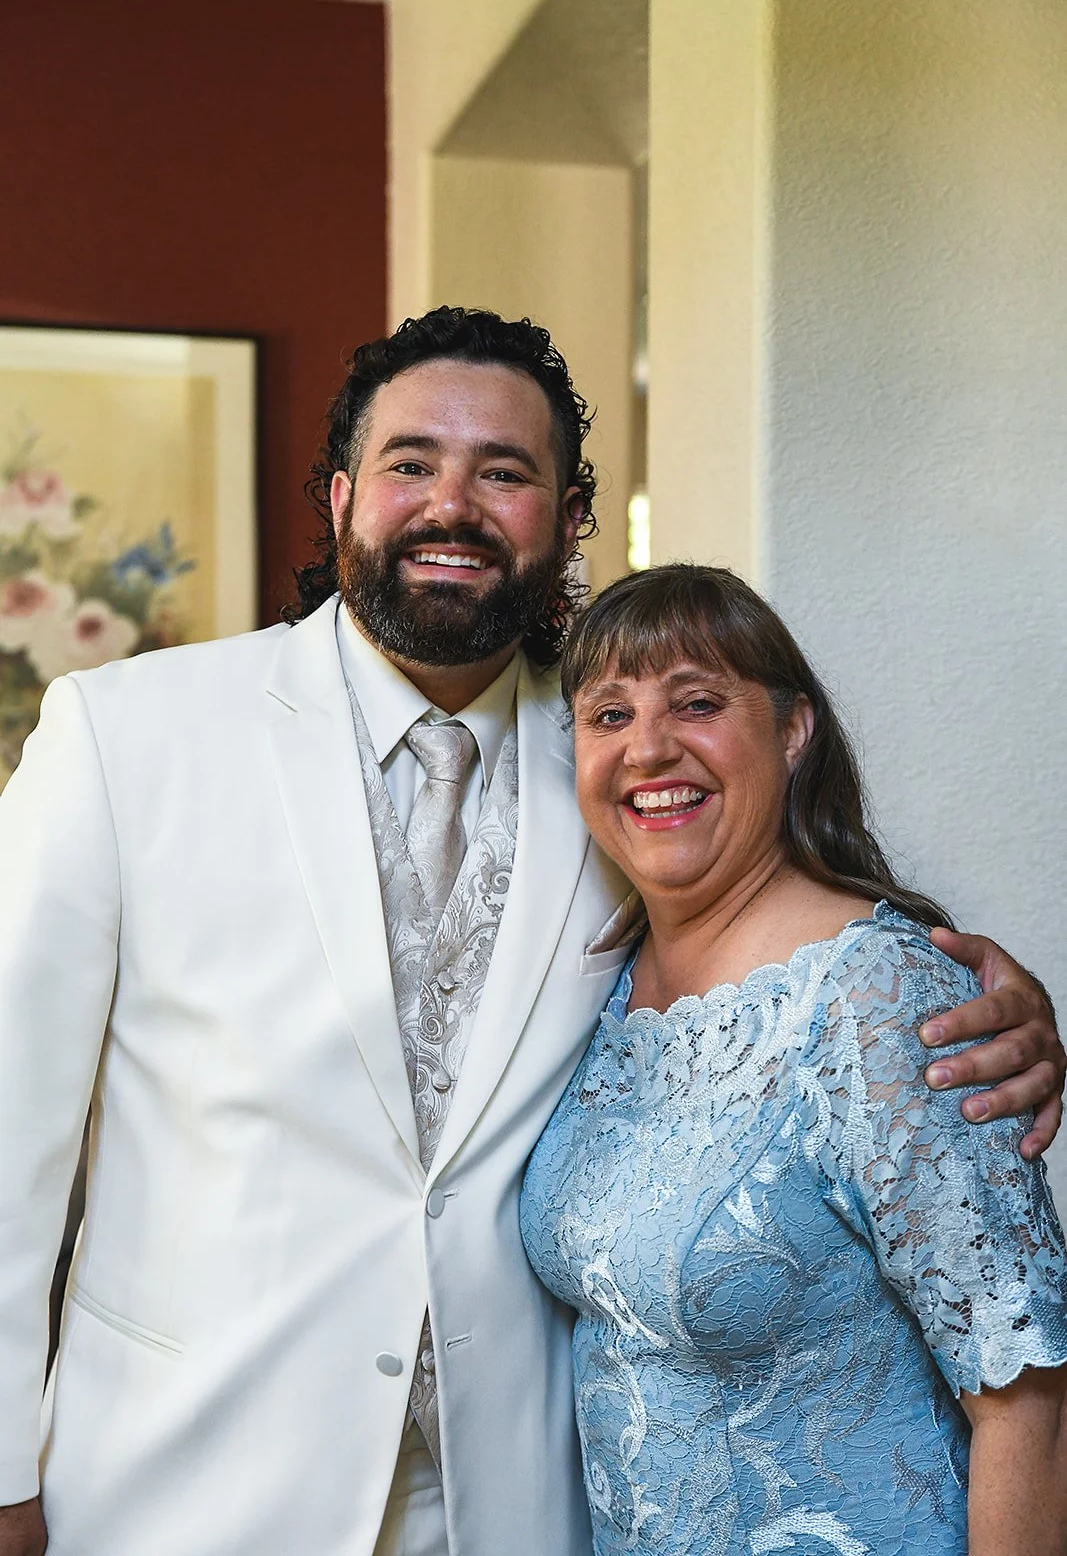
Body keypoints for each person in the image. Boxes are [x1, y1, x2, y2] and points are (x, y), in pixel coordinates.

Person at [0, 310, 1060, 1556]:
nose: (450, 504)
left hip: (516, 1506)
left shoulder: (618, 756)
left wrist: (990, 995)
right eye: (409, 463)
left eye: (502, 471)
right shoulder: (128, 734)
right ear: (341, 499)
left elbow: (785, 948)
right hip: (186, 1489)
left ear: (566, 522)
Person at [521, 563, 1067, 1556]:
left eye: (696, 703)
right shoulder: (595, 984)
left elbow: (1029, 1398)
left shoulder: (880, 997)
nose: (648, 746)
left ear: (791, 729)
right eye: (608, 715)